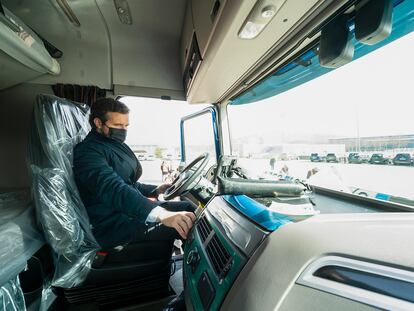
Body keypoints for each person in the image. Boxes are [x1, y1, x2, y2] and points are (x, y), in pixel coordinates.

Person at [73, 98, 196, 253]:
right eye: (118, 125)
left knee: (188, 209)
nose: (123, 130)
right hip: (109, 224)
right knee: (188, 222)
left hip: (123, 212)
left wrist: (155, 190)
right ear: (98, 123)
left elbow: (127, 183)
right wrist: (162, 215)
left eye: (126, 125)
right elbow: (113, 188)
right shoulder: (87, 152)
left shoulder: (111, 145)